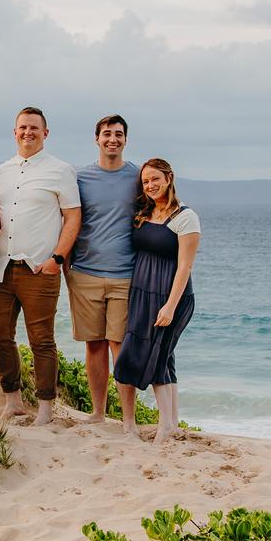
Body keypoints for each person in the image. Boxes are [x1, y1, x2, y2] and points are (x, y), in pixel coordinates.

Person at [0, 106, 82, 425]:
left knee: (41, 339)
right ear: (14, 132)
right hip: (0, 267)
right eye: (22, 127)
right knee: (0, 336)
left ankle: (45, 407)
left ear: (45, 133)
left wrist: (57, 258)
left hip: (39, 268)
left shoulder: (60, 170)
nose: (27, 132)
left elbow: (73, 217)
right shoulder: (2, 171)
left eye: (34, 128)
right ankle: (12, 400)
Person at [113, 158, 199, 440]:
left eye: (155, 179)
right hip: (142, 294)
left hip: (170, 297)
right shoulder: (145, 212)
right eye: (146, 181)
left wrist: (170, 306)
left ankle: (163, 428)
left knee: (157, 358)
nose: (150, 185)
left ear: (169, 178)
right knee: (166, 357)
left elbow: (185, 267)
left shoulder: (186, 217)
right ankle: (172, 424)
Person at [68, 114, 139, 420]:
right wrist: (65, 268)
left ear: (126, 139)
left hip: (126, 275)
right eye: (107, 133)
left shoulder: (138, 178)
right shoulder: (80, 178)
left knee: (120, 346)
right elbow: (69, 221)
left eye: (119, 134)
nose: (113, 139)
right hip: (84, 273)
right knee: (94, 345)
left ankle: (127, 417)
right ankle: (98, 413)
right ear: (97, 139)